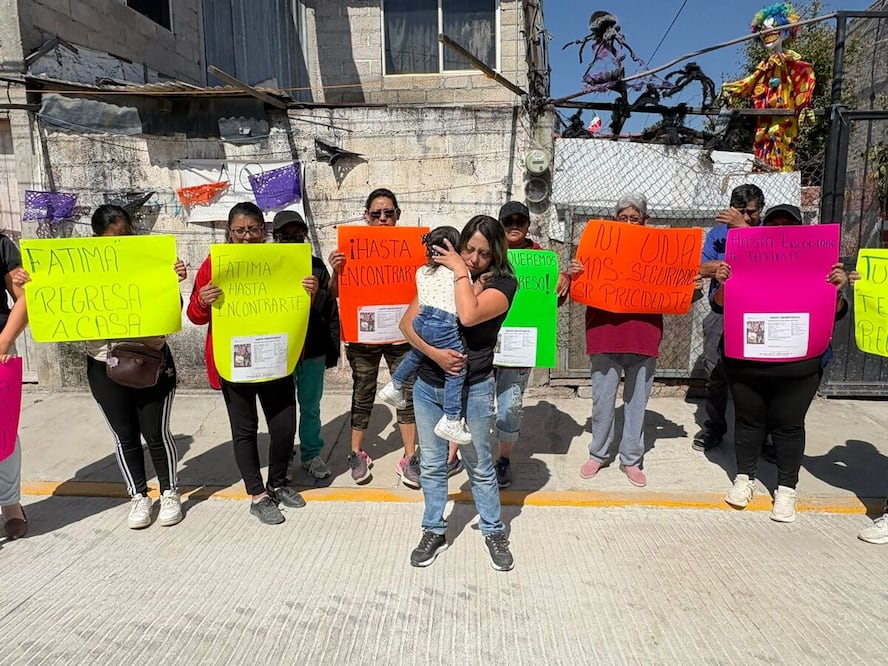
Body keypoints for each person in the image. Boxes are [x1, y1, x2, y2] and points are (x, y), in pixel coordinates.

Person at [713, 204, 848, 523]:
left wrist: (836, 290)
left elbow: (838, 312)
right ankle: (744, 478)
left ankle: (786, 489)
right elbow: (719, 307)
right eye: (773, 224)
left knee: (788, 425)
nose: (779, 230)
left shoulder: (821, 267)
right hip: (747, 362)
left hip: (799, 366)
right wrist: (724, 284)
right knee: (748, 421)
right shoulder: (740, 262)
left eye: (788, 225)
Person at [402, 215, 517, 571]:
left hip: (475, 389)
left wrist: (457, 271)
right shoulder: (440, 276)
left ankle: (493, 530)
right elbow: (406, 323)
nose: (473, 258)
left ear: (496, 255)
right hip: (428, 386)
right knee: (433, 465)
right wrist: (436, 354)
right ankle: (433, 529)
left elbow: (468, 316)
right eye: (469, 249)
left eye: (484, 253)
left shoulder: (504, 284)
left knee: (479, 466)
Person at [187, 202, 312, 525]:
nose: (246, 237)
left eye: (253, 230)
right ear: (229, 232)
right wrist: (203, 300)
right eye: (239, 230)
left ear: (263, 232)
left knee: (284, 427)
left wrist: (307, 292)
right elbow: (194, 316)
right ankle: (257, 494)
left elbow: (296, 309)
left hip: (275, 359)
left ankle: (280, 482)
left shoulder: (281, 261)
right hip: (235, 363)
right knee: (245, 430)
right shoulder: (214, 264)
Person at [71, 206, 186, 529]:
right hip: (103, 363)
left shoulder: (148, 262)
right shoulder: (82, 271)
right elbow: (63, 304)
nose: (123, 242)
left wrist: (169, 280)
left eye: (127, 234)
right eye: (115, 237)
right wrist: (34, 282)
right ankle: (138, 495)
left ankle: (169, 491)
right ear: (97, 239)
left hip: (149, 359)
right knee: (125, 436)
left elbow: (173, 309)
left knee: (156, 432)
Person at [328, 188, 424, 488]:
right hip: (364, 337)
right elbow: (335, 292)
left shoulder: (413, 248)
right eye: (376, 213)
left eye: (389, 212)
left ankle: (409, 457)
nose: (383, 218)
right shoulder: (351, 249)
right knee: (363, 391)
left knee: (405, 392)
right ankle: (356, 453)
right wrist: (336, 271)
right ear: (366, 216)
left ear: (398, 214)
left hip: (401, 336)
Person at [569, 194, 664, 489]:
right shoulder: (595, 248)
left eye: (634, 218)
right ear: (613, 221)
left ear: (645, 221)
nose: (628, 223)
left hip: (644, 335)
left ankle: (631, 460)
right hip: (605, 334)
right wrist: (572, 274)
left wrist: (692, 280)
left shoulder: (660, 250)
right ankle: (598, 453)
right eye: (622, 217)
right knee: (602, 402)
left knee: (637, 405)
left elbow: (677, 285)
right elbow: (573, 287)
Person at [378, 226, 472, 445]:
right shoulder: (459, 272)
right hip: (444, 323)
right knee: (456, 369)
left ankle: (395, 385)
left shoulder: (422, 271)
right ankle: (451, 419)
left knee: (416, 353)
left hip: (421, 321)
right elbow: (465, 300)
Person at [694, 184, 765, 453]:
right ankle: (714, 427)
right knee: (715, 372)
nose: (747, 218)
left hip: (757, 313)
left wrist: (742, 230)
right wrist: (717, 269)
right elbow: (700, 266)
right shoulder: (718, 234)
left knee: (758, 377)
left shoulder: (766, 233)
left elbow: (770, 261)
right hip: (722, 311)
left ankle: (762, 436)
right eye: (742, 212)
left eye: (752, 213)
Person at [271, 211, 340, 481]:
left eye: (298, 235)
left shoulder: (316, 266)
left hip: (311, 350)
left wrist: (317, 292)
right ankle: (285, 457)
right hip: (280, 350)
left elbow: (329, 305)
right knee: (282, 410)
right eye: (286, 235)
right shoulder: (266, 266)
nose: (292, 239)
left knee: (311, 406)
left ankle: (311, 454)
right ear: (275, 238)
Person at [490, 200, 553, 488]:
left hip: (520, 345)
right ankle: (462, 454)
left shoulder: (542, 259)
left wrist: (562, 281)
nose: (514, 225)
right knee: (475, 402)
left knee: (510, 406)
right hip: (486, 341)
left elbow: (550, 301)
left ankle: (503, 459)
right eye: (508, 221)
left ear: (528, 226)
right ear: (501, 224)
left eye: (520, 221)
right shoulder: (488, 252)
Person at [0, 232, 27, 539]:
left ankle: (10, 505)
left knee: (2, 431)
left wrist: (5, 341)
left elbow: (25, 297)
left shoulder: (1, 244)